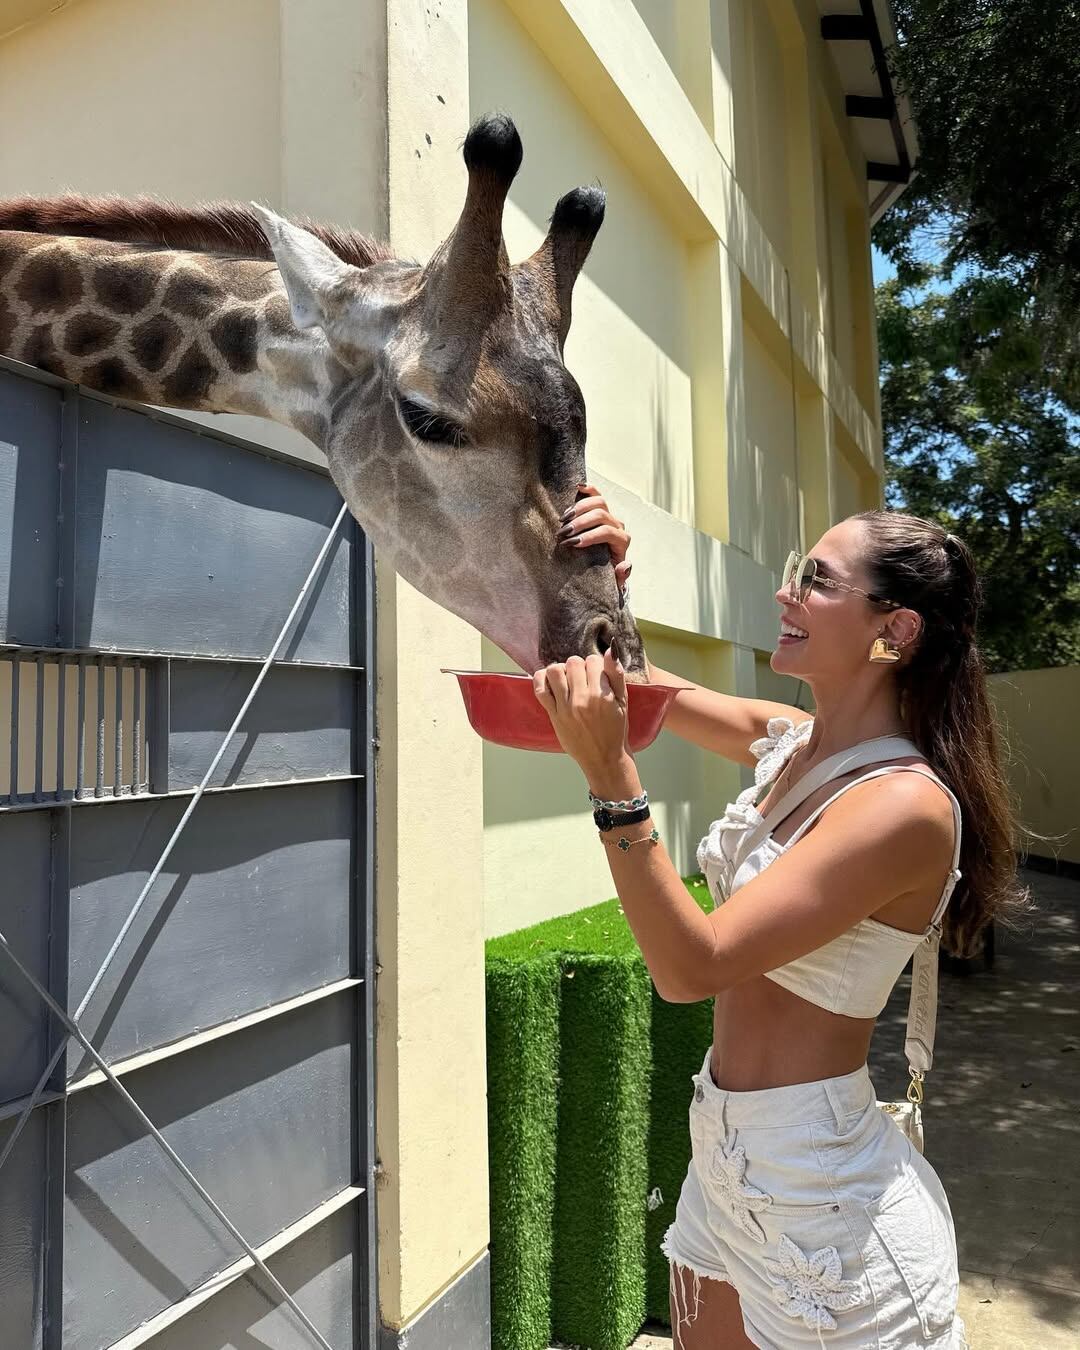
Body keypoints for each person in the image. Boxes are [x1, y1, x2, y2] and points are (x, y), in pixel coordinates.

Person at [534, 487, 1026, 1349]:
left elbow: (692, 967)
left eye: (817, 581)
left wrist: (612, 784)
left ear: (896, 631)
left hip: (826, 1197)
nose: (785, 595)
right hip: (722, 1153)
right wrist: (600, 581)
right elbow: (638, 688)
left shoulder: (903, 805)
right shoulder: (789, 741)